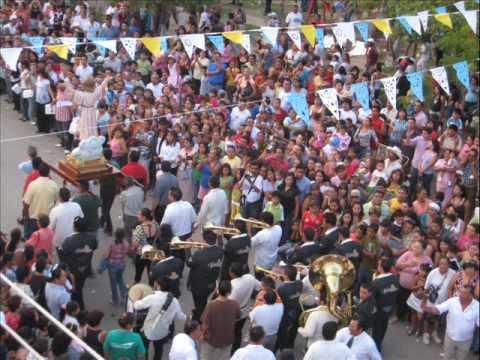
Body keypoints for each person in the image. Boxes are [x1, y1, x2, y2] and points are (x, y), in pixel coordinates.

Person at [134, 277, 186, 360]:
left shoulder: (152, 297)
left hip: (148, 329)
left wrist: (137, 299)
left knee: (145, 348)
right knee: (159, 349)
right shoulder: (174, 300)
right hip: (162, 331)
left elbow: (137, 306)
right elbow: (180, 316)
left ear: (158, 286)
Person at [423, 285, 479, 360]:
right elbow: (439, 309)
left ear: (471, 295)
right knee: (447, 357)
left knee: (461, 358)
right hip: (450, 337)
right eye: (460, 292)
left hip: (466, 341)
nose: (460, 295)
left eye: (464, 293)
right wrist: (427, 308)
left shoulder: (477, 306)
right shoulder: (453, 301)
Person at [61, 216, 97, 309]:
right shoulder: (92, 238)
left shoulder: (69, 240)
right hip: (85, 268)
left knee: (76, 290)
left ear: (74, 227)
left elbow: (63, 252)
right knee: (78, 287)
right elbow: (94, 247)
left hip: (73, 270)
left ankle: (79, 308)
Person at [187, 230, 223, 322]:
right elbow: (221, 245)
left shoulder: (199, 254)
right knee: (203, 300)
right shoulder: (220, 251)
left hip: (199, 285)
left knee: (199, 303)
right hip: (211, 284)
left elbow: (189, 263)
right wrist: (219, 237)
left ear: (204, 241)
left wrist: (187, 249)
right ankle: (199, 311)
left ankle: (199, 318)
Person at [200, 280, 241, 360]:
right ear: (229, 292)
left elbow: (204, 322)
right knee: (224, 357)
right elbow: (238, 316)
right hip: (227, 338)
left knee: (206, 357)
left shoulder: (211, 305)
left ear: (218, 290)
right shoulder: (235, 304)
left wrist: (202, 335)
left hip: (211, 338)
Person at [229, 262, 261, 352]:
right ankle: (235, 350)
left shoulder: (232, 285)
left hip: (234, 313)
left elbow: (229, 303)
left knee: (231, 330)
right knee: (238, 331)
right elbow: (260, 286)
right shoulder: (249, 278)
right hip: (245, 310)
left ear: (232, 273)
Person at [23, 163, 58, 239]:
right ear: (49, 172)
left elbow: (26, 203)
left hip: (34, 219)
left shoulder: (33, 184)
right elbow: (55, 201)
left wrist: (26, 218)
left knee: (32, 241)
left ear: (38, 172)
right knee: (43, 241)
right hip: (46, 220)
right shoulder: (54, 185)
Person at [371, 258, 399, 351]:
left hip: (378, 310)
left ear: (381, 268)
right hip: (389, 308)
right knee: (383, 327)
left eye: (379, 265)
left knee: (376, 330)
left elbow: (372, 298)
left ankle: (376, 349)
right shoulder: (395, 278)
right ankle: (379, 342)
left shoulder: (376, 283)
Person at [275, 265, 303, 351]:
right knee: (293, 330)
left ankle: (280, 348)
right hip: (297, 312)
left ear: (286, 275)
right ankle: (290, 345)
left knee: (282, 333)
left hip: (286, 314)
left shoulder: (281, 289)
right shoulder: (300, 283)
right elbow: (292, 283)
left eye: (282, 273)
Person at [102, 228, 129, 305]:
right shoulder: (126, 244)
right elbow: (127, 252)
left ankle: (115, 300)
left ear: (115, 235)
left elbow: (106, 255)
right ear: (123, 236)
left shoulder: (112, 244)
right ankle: (123, 297)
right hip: (122, 265)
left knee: (113, 283)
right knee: (120, 279)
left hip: (113, 265)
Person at [252, 212, 282, 279]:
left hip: (261, 265)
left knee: (260, 283)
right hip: (272, 262)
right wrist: (258, 222)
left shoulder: (261, 234)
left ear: (263, 221)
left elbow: (250, 243)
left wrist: (249, 229)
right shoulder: (279, 228)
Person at [119, 176, 144, 242]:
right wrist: (135, 181)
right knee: (138, 233)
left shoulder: (124, 193)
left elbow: (122, 206)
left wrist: (123, 215)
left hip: (129, 216)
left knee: (128, 234)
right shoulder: (140, 190)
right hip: (139, 215)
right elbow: (142, 186)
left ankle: (131, 247)